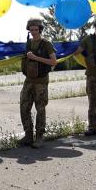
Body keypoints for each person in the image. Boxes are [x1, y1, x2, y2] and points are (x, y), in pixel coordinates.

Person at [19, 18, 57, 148]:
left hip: (41, 81)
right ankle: (28, 135)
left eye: (36, 29)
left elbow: (53, 62)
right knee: (24, 107)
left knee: (40, 108)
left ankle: (39, 136)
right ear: (29, 30)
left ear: (40, 30)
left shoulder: (46, 44)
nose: (34, 32)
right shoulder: (28, 43)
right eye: (32, 30)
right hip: (29, 80)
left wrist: (36, 58)